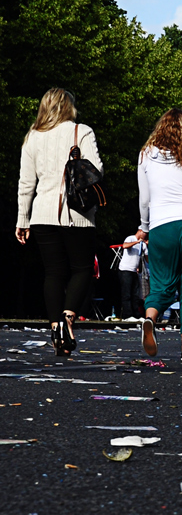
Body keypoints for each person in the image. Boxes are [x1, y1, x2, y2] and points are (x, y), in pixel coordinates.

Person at [16, 88, 102, 357]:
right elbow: (96, 169)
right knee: (82, 269)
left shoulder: (32, 137)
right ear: (69, 107)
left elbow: (26, 183)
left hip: (42, 214)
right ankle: (67, 319)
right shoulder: (82, 131)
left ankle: (56, 329)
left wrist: (22, 219)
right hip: (77, 214)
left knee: (53, 272)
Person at [135, 109, 182, 363]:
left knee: (161, 284)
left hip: (161, 225)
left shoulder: (146, 154)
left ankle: (150, 318)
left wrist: (144, 227)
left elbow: (145, 198)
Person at [118, 233, 146, 321]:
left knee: (135, 294)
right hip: (125, 269)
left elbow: (146, 256)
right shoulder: (130, 238)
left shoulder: (143, 244)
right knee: (127, 293)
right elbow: (124, 246)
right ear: (141, 232)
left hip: (134, 271)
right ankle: (127, 315)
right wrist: (137, 242)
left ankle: (136, 314)